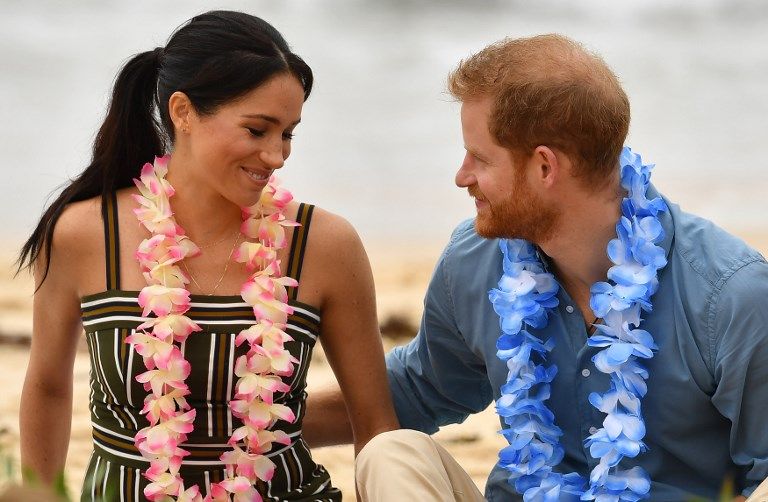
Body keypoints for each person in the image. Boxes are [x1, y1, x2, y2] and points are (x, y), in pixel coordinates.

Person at [304, 34, 768, 501]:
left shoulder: (730, 296)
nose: (461, 176)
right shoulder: (475, 260)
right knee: (392, 455)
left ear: (544, 166)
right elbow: (417, 389)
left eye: (479, 158)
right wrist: (255, 422)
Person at [17, 10, 398, 501]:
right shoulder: (84, 234)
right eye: (258, 130)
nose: (278, 155)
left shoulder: (324, 245)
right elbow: (48, 388)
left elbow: (373, 421)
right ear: (183, 112)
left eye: (288, 133)